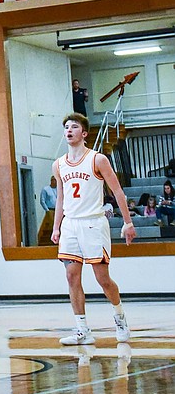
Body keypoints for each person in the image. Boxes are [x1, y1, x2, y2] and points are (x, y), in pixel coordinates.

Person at [51, 113, 135, 346]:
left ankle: (119, 317)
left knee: (102, 278)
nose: (69, 130)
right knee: (71, 276)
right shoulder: (58, 164)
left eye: (74, 127)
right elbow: (60, 198)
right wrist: (56, 226)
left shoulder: (97, 159)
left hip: (93, 222)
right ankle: (82, 330)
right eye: (66, 127)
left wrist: (128, 223)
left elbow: (118, 192)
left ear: (84, 133)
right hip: (70, 224)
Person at [38, 176, 58, 246]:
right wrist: (47, 210)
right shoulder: (46, 189)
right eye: (53, 180)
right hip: (50, 210)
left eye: (55, 180)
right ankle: (52, 241)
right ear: (51, 181)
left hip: (58, 210)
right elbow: (42, 201)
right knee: (53, 225)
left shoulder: (58, 189)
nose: (54, 182)